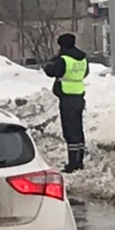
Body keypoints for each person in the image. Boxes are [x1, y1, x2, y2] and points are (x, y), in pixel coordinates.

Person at [44, 33, 89, 173]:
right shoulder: (82, 59)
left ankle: (72, 163)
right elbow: (85, 73)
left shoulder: (63, 60)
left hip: (67, 98)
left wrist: (54, 59)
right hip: (79, 97)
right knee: (78, 130)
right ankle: (79, 160)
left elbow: (50, 71)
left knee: (70, 132)